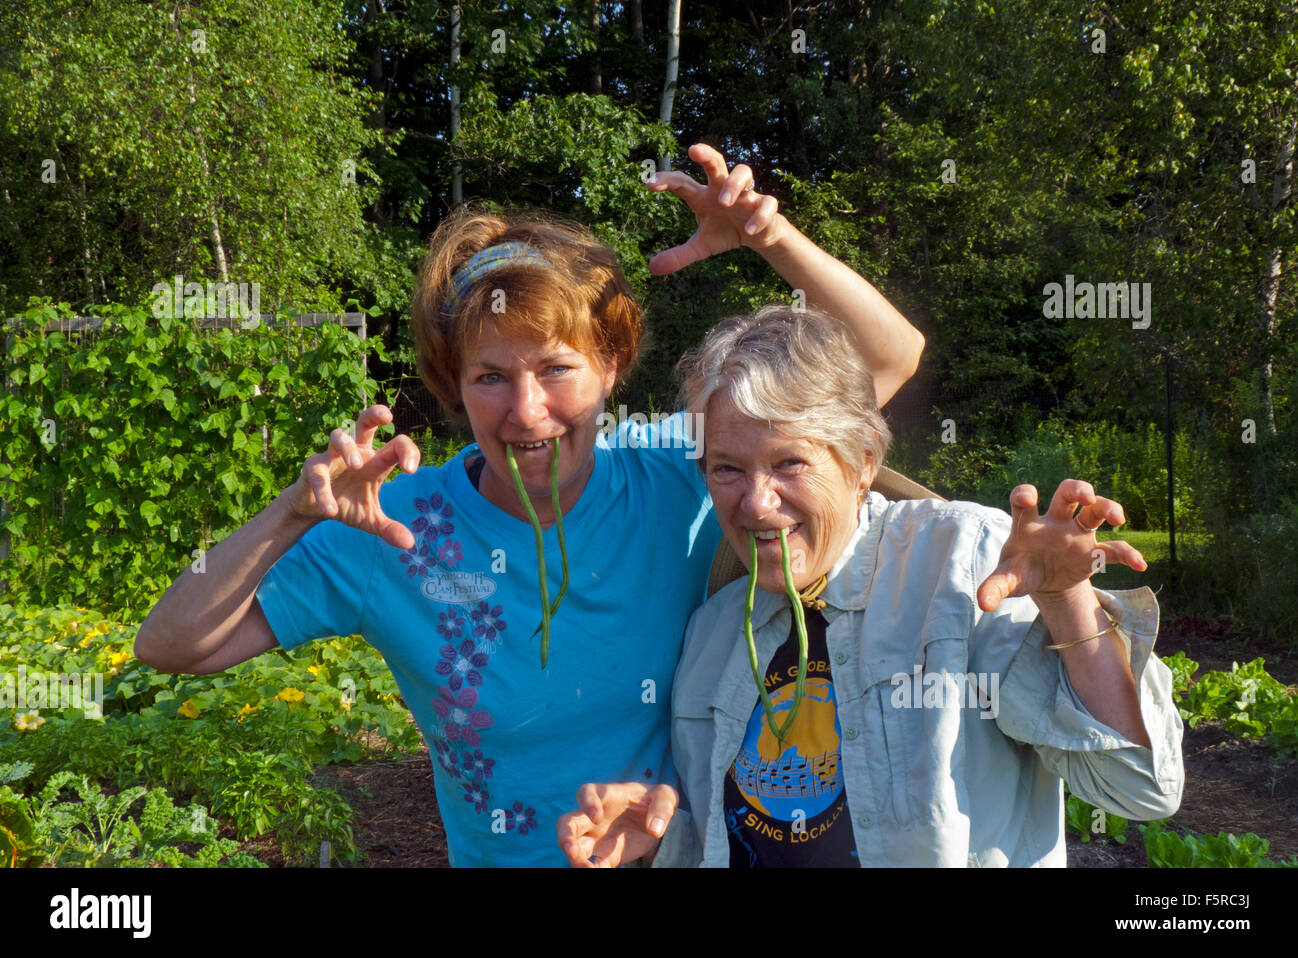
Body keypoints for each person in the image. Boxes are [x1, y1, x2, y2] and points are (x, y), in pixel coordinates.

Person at [133, 144, 927, 867]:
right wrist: (291, 515)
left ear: (611, 366)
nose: (527, 411)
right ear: (455, 386)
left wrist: (768, 237)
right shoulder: (387, 527)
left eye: (555, 369)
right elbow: (172, 645)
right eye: (490, 377)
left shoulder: (673, 467)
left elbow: (886, 360)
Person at [557, 305, 1184, 867]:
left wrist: (1067, 603)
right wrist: (660, 840)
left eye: (788, 462)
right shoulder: (716, 630)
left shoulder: (962, 564)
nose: (756, 501)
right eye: (727, 468)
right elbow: (734, 844)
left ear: (863, 461)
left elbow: (1139, 788)